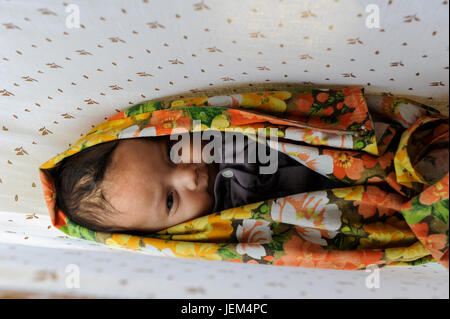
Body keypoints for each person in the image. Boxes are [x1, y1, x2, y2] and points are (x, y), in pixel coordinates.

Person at [50, 131, 343, 235]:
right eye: (170, 200)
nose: (188, 175)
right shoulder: (230, 212)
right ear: (165, 232)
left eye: (171, 153)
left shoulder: (212, 134)